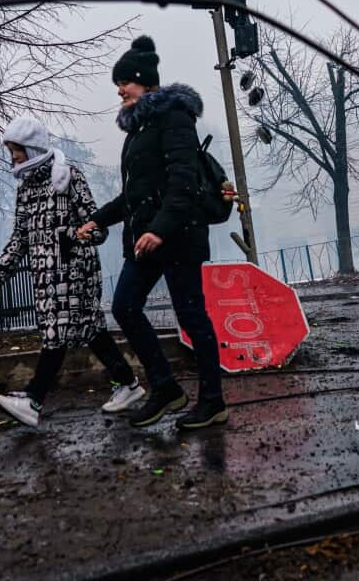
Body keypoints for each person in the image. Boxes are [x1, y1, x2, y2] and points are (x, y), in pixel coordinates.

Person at [77, 36, 227, 430]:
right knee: (125, 306)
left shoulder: (175, 117)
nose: (119, 90)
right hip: (146, 239)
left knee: (192, 316)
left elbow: (183, 183)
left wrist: (160, 229)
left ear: (143, 81)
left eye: (124, 82)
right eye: (118, 84)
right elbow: (135, 195)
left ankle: (212, 401)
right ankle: (165, 388)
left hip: (177, 233)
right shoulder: (138, 131)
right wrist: (98, 219)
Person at [0, 116, 145, 427]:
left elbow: (97, 228)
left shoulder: (68, 176)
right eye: (12, 151)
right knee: (91, 332)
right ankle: (129, 385)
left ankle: (33, 399)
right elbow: (21, 238)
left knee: (55, 335)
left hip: (75, 271)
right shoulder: (25, 189)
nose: (13, 157)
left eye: (17, 151)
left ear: (31, 148)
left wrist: (74, 235)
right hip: (45, 276)